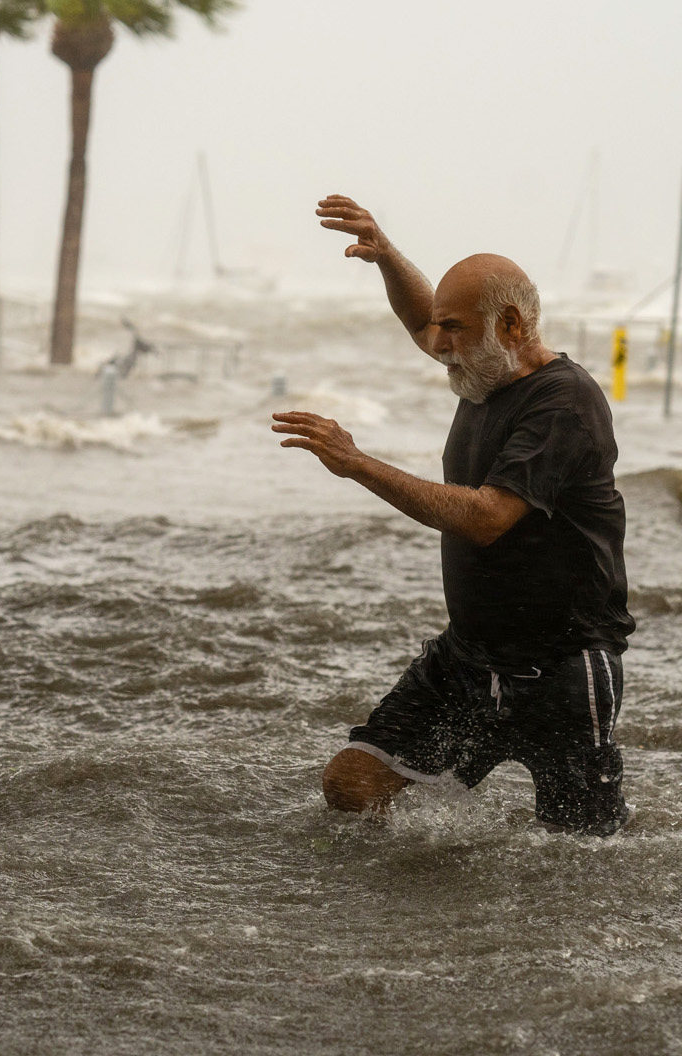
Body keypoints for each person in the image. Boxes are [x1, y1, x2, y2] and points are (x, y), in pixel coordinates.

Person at [272, 195, 635, 836]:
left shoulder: (564, 403)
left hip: (563, 669)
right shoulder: (480, 369)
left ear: (515, 326)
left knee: (581, 856)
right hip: (467, 661)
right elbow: (421, 321)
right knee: (352, 785)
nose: (439, 345)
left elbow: (488, 516)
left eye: (456, 330)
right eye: (442, 329)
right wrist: (386, 256)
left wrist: (358, 464)